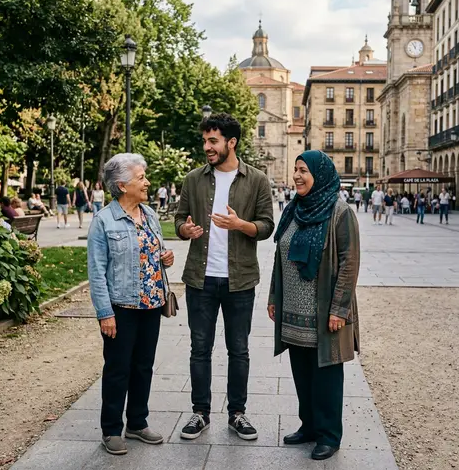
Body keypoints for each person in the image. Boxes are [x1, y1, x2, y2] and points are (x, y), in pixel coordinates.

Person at [175, 112, 274, 441]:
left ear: (231, 143)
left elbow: (266, 226)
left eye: (213, 140)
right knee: (199, 348)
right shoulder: (193, 179)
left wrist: (240, 225)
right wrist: (185, 230)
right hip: (200, 279)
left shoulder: (257, 180)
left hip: (240, 280)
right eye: (205, 140)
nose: (207, 146)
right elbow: (178, 220)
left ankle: (237, 413)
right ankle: (199, 413)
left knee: (239, 349)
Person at [268, 150, 360, 461]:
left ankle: (329, 435)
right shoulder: (293, 209)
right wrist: (272, 297)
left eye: (303, 170)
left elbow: (349, 262)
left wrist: (339, 309)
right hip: (294, 313)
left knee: (327, 377)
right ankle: (308, 426)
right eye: (295, 170)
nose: (296, 176)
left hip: (324, 313)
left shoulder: (339, 211)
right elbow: (280, 254)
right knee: (302, 374)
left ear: (319, 175)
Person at [87, 153, 175, 456]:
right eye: (141, 178)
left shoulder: (149, 214)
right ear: (122, 185)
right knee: (117, 369)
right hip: (121, 308)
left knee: (143, 367)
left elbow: (158, 249)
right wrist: (104, 313)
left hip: (151, 304)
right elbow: (96, 272)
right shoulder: (103, 221)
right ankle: (111, 429)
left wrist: (167, 257)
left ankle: (137, 422)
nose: (147, 182)